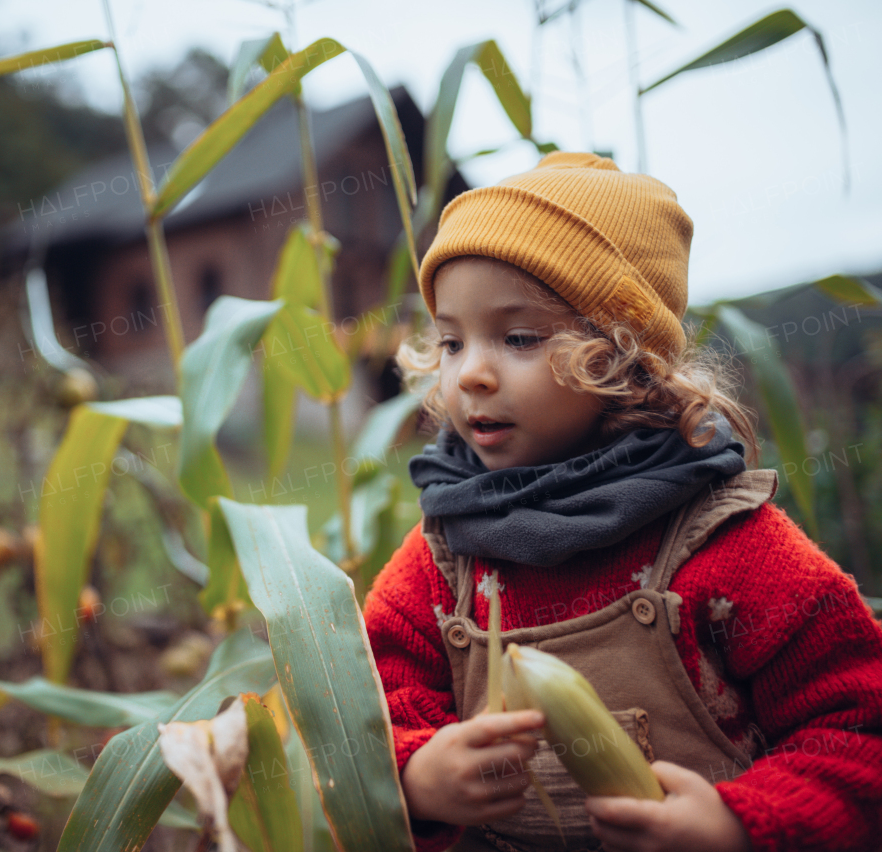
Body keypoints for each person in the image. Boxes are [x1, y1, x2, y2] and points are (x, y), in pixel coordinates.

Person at [363, 151, 882, 852]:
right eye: (452, 341)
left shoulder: (728, 547)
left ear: (622, 356)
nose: (471, 374)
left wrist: (739, 822)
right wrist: (415, 777)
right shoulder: (443, 558)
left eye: (518, 337)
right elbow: (362, 717)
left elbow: (857, 730)